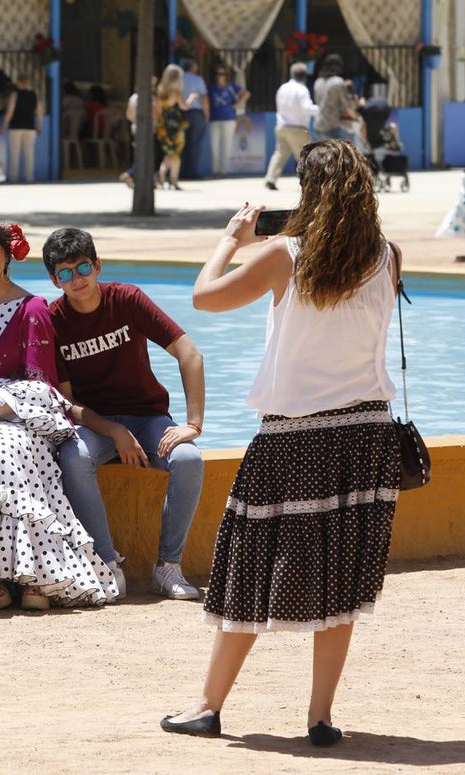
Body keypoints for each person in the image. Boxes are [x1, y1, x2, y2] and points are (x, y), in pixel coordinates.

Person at [161, 140, 401, 744]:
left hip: (294, 436)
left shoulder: (283, 256)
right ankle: (320, 717)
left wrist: (231, 239)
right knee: (342, 576)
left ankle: (208, 706)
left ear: (307, 193)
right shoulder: (389, 256)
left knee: (248, 566)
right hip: (366, 435)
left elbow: (203, 296)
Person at [0, 218, 119, 610]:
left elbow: (42, 385)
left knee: (2, 445)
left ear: (6, 254)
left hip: (25, 419)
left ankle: (35, 572)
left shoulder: (33, 308)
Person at [44, 227, 206, 600]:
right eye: (65, 274)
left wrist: (194, 423)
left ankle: (168, 567)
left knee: (188, 459)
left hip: (148, 418)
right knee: (74, 456)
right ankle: (106, 563)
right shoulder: (54, 321)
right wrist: (115, 431)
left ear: (97, 265)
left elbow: (190, 354)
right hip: (97, 424)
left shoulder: (127, 299)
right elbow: (67, 404)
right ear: (55, 279)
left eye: (82, 268)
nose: (76, 280)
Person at [264, 63, 317, 191]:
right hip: (297, 127)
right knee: (306, 157)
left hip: (282, 126)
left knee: (280, 154)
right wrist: (321, 110)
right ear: (305, 76)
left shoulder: (282, 88)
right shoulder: (302, 89)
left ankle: (270, 179)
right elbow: (306, 108)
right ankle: (310, 184)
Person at [207, 65, 250, 177]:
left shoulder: (231, 87)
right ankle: (215, 171)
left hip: (229, 119)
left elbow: (246, 94)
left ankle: (224, 170)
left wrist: (237, 104)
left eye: (222, 74)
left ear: (226, 76)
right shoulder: (211, 88)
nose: (219, 76)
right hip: (214, 119)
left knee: (227, 145)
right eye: (217, 74)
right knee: (214, 145)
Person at [0, 73, 44, 183]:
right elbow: (39, 112)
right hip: (30, 128)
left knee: (14, 155)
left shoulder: (15, 95)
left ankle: (13, 180)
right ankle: (29, 179)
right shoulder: (34, 95)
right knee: (29, 154)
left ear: (18, 82)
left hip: (15, 128)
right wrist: (39, 126)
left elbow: (10, 112)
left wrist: (4, 125)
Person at [119, 77, 161, 188]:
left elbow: (129, 115)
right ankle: (130, 173)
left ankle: (141, 177)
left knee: (140, 152)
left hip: (135, 128)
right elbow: (155, 115)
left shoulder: (133, 98)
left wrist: (135, 121)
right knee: (148, 154)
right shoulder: (150, 98)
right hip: (149, 128)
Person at [155, 64, 190, 190]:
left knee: (168, 154)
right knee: (176, 155)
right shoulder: (176, 92)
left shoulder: (160, 90)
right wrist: (191, 99)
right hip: (175, 129)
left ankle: (161, 175)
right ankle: (173, 180)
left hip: (163, 128)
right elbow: (184, 106)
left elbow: (158, 110)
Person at [312, 54, 359, 142]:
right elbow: (347, 107)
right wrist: (357, 118)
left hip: (317, 125)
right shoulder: (338, 82)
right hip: (331, 127)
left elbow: (318, 102)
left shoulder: (318, 82)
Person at [180, 59, 209, 180]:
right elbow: (203, 97)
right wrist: (206, 114)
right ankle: (191, 172)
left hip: (181, 113)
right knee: (195, 143)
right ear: (192, 68)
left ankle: (179, 171)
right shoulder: (198, 80)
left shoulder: (179, 79)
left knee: (181, 143)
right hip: (196, 113)